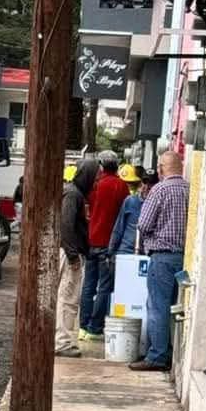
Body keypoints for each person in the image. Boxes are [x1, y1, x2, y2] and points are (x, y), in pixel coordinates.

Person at [130, 151, 189, 372]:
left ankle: (157, 355)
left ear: (162, 168)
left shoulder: (159, 190)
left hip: (162, 256)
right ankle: (170, 350)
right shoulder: (189, 189)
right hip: (183, 256)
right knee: (176, 306)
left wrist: (148, 240)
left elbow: (143, 224)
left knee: (157, 306)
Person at [78, 150, 132, 340]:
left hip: (92, 241)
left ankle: (82, 326)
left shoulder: (95, 186)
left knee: (88, 285)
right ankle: (94, 328)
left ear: (101, 166)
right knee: (104, 288)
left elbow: (88, 208)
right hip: (110, 245)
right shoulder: (121, 186)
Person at [56, 159, 98, 358]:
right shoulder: (73, 195)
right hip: (69, 253)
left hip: (70, 251)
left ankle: (61, 340)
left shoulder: (75, 193)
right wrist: (73, 255)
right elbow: (66, 225)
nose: (97, 180)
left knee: (66, 298)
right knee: (68, 298)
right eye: (95, 176)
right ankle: (62, 342)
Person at [108, 169, 158, 258]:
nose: (147, 186)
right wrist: (111, 251)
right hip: (126, 251)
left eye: (151, 183)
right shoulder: (130, 200)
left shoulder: (158, 204)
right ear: (141, 183)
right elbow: (119, 227)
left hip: (146, 253)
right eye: (145, 182)